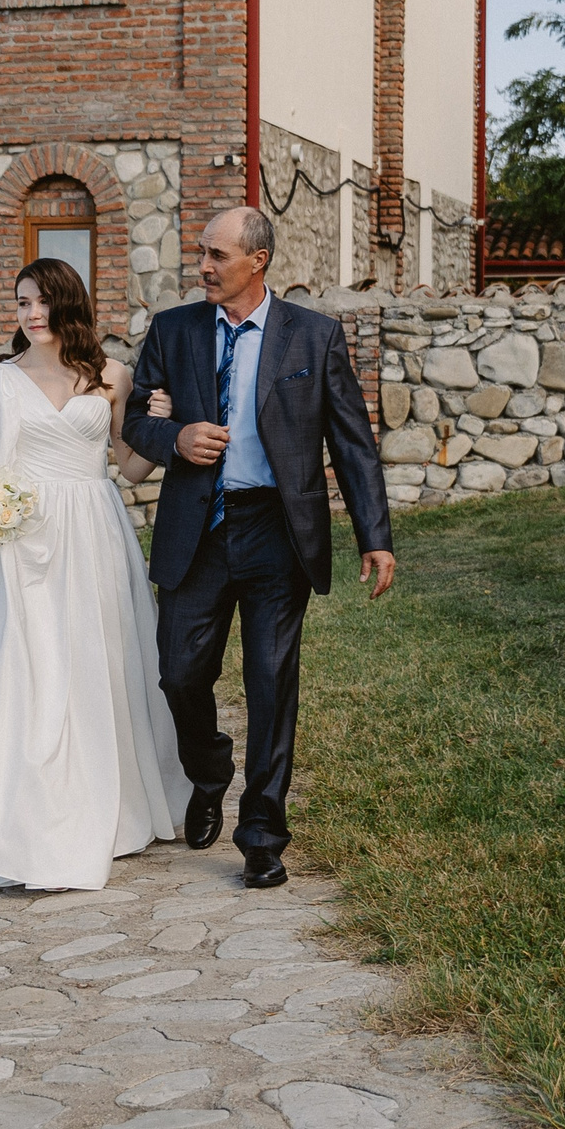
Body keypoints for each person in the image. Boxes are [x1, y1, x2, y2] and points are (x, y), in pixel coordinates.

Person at [122, 206, 396, 890]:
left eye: (217, 255)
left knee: (273, 683)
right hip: (199, 529)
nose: (204, 266)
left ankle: (263, 835)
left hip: (279, 529)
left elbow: (353, 442)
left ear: (258, 260)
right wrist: (175, 439)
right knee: (180, 673)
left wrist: (375, 538)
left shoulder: (314, 336)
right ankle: (209, 771)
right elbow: (131, 419)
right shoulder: (173, 329)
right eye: (203, 254)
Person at [0, 258, 190, 890]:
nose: (32, 314)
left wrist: (162, 421)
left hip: (95, 529)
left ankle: (113, 796)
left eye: (43, 302)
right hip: (23, 537)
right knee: (30, 664)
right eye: (22, 303)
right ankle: (24, 814)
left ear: (68, 305)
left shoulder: (112, 377)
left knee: (96, 658)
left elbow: (128, 467)